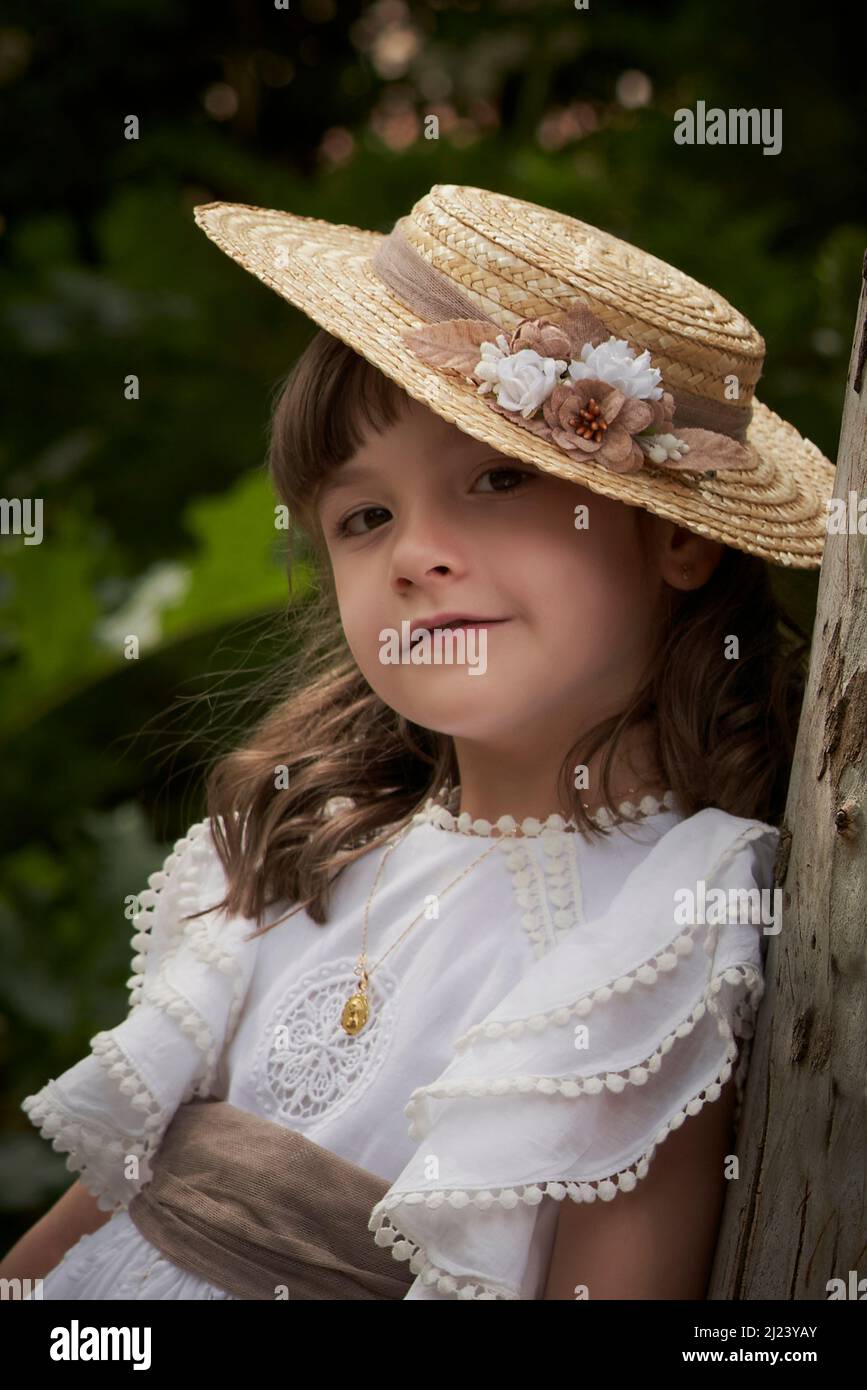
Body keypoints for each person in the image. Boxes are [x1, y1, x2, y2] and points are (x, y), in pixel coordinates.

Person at [2, 184, 835, 1301]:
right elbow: (90, 1224)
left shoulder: (666, 918)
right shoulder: (307, 851)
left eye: (498, 479)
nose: (416, 553)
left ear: (677, 536)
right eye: (364, 517)